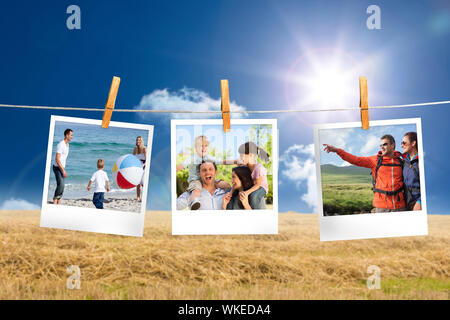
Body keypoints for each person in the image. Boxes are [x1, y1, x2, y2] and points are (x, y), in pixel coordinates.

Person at [323, 134, 406, 213]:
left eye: (384, 144)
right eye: (381, 146)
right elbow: (355, 160)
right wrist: (337, 150)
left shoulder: (401, 161)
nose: (382, 148)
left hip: (400, 206)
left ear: (392, 145)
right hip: (382, 207)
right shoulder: (375, 160)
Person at [176, 135, 235, 210]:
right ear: (196, 147)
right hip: (195, 180)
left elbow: (222, 161)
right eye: (201, 146)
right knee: (196, 190)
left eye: (206, 146)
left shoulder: (208, 157)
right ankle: (194, 201)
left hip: (208, 180)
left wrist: (235, 161)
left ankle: (231, 200)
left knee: (226, 184)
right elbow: (181, 166)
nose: (203, 148)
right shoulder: (192, 158)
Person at [238, 142, 270, 210]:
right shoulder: (245, 166)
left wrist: (246, 192)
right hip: (253, 186)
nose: (240, 158)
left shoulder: (258, 168)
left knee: (254, 196)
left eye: (242, 156)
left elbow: (258, 185)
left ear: (251, 155)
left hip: (261, 188)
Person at [401, 132, 421, 211]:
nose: (402, 145)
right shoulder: (404, 161)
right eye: (401, 143)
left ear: (413, 143)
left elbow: (429, 185)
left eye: (404, 143)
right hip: (405, 203)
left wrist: (420, 202)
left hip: (417, 204)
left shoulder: (421, 161)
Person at [52, 128, 73, 204]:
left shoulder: (67, 145)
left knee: (62, 185)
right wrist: (63, 170)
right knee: (61, 184)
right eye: (71, 135)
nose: (72, 136)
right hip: (57, 167)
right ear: (66, 135)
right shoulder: (61, 145)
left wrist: (63, 168)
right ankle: (55, 200)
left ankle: (58, 200)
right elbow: (57, 159)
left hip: (62, 167)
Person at [133, 136, 147, 202]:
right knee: (138, 183)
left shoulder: (144, 149)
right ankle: (138, 197)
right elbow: (132, 157)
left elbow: (147, 160)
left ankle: (145, 197)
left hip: (144, 166)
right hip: (138, 166)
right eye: (137, 140)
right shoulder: (135, 149)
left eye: (139, 140)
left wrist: (143, 165)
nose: (138, 141)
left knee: (143, 183)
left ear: (141, 141)